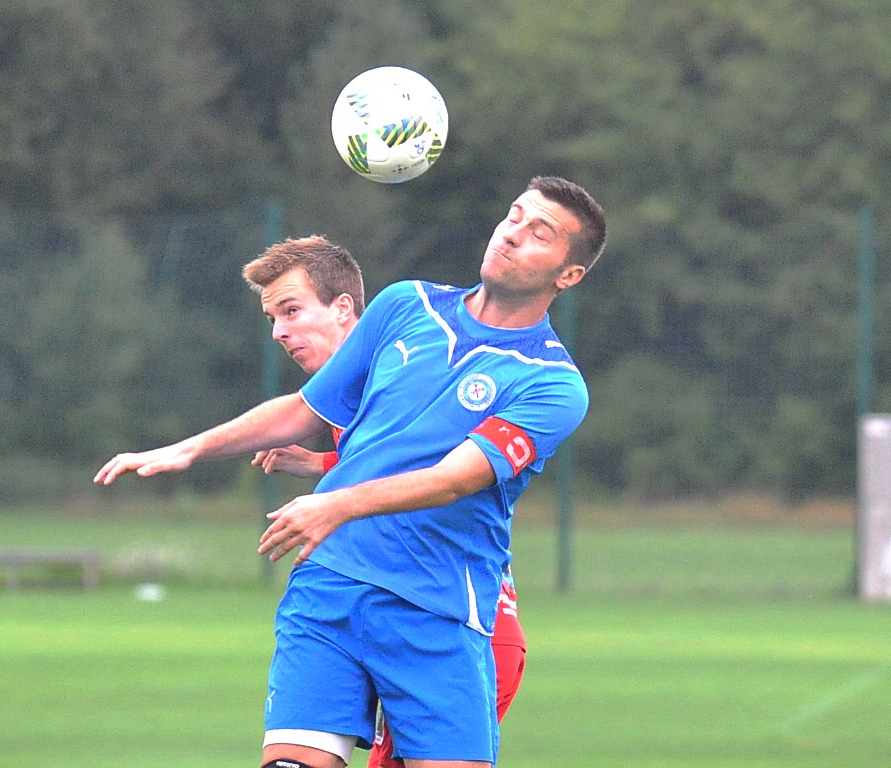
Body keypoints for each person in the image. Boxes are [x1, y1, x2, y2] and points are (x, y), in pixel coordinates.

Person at [94, 175, 607, 768]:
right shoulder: (405, 304)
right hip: (331, 584)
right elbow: (306, 408)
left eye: (540, 232)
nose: (512, 234)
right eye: (514, 215)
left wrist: (334, 502)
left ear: (569, 274)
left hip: (436, 606)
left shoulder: (552, 384)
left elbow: (452, 479)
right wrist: (192, 448)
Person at [242, 235, 528, 768]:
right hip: (382, 604)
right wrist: (322, 465)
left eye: (292, 311)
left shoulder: (399, 364)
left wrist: (327, 487)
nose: (280, 331)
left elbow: (439, 476)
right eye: (273, 318)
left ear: (344, 308)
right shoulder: (354, 386)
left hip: (457, 621)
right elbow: (392, 468)